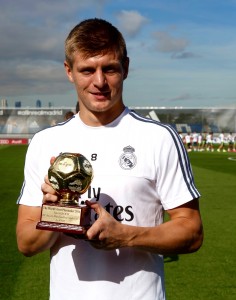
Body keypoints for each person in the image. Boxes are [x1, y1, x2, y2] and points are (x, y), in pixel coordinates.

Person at [16, 18, 203, 300]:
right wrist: (53, 213)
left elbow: (192, 231)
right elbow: (26, 244)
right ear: (69, 71)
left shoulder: (159, 137)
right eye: (87, 70)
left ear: (126, 68)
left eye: (110, 69)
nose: (99, 81)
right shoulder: (45, 143)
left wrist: (125, 235)